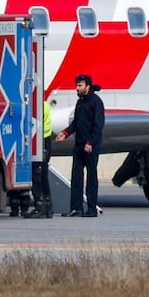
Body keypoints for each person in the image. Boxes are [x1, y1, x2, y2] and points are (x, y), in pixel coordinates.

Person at [56, 73, 104, 217]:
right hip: (79, 145)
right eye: (77, 85)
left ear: (87, 86)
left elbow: (98, 125)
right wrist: (65, 133)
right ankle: (76, 208)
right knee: (76, 177)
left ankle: (91, 209)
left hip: (90, 146)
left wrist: (91, 142)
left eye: (80, 85)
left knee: (91, 177)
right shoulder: (80, 102)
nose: (77, 88)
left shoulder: (96, 102)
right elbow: (76, 123)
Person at [24, 99, 55, 218]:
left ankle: (40, 207)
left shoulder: (39, 106)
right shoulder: (44, 104)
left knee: (37, 176)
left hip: (40, 142)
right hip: (45, 142)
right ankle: (48, 208)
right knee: (43, 176)